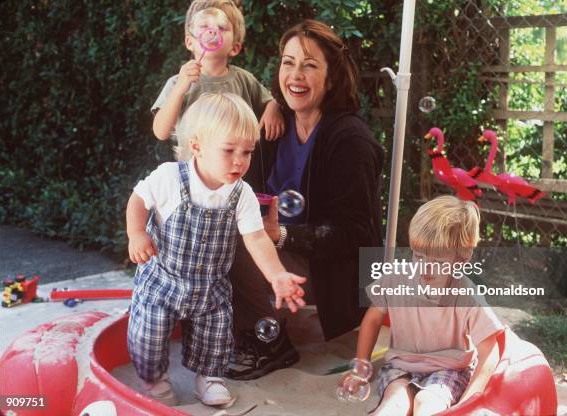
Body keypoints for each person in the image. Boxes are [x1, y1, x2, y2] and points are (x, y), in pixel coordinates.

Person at [226, 19, 384, 380]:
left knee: (237, 245)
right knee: (217, 231)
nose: (295, 74)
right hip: (292, 258)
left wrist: (282, 236)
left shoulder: (350, 141)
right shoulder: (274, 127)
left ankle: (272, 344)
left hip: (343, 271)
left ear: (331, 78)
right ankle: (244, 327)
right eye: (288, 61)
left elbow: (355, 233)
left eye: (310, 65)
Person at [126, 93, 306, 406]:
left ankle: (208, 378)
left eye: (248, 152)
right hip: (162, 283)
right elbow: (138, 200)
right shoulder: (170, 177)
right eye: (229, 150)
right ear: (197, 146)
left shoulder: (242, 194)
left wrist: (277, 274)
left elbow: (257, 239)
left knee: (215, 335)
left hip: (209, 288)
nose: (240, 160)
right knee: (148, 338)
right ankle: (154, 381)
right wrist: (137, 233)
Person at [347, 195, 503, 416]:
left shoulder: (467, 295)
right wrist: (360, 367)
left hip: (448, 370)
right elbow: (373, 319)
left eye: (438, 263)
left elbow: (489, 351)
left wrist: (469, 401)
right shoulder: (395, 279)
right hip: (401, 366)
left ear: (461, 260)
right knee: (394, 405)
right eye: (418, 256)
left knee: (427, 404)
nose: (426, 269)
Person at [151, 0, 284, 155]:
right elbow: (161, 132)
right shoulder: (177, 82)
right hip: (193, 173)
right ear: (189, 42)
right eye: (204, 26)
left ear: (235, 48)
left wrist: (273, 107)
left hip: (235, 171)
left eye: (222, 27)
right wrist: (180, 89)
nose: (212, 31)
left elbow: (271, 101)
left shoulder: (244, 80)